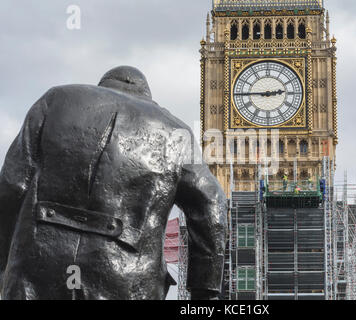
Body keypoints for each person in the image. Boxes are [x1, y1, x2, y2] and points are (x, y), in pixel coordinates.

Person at [0, 66, 227, 300]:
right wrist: (203, 290)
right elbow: (212, 203)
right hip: (127, 277)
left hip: (38, 267)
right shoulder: (176, 131)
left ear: (102, 86)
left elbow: (11, 185)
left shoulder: (55, 99)